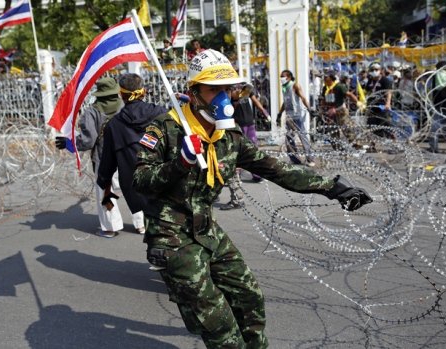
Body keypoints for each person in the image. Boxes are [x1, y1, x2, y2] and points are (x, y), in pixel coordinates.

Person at [132, 49, 373, 348]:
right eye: (213, 90)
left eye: (227, 89)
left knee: (249, 297)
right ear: (193, 93)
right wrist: (178, 163)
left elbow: (279, 171)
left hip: (206, 230)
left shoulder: (229, 138)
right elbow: (140, 180)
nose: (224, 98)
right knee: (217, 321)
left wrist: (332, 187)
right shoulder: (166, 129)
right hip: (172, 237)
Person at [97, 73, 167, 235]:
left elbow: (107, 162)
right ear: (143, 91)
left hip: (133, 183)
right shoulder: (161, 113)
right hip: (162, 178)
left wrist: (104, 183)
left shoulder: (113, 125)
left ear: (121, 95)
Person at [55, 78, 125, 237]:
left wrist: (68, 144)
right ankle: (140, 225)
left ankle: (110, 228)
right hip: (125, 156)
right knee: (132, 190)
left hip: (103, 159)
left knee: (106, 192)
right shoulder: (124, 107)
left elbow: (88, 141)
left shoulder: (92, 112)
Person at [219, 82, 271, 210]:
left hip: (249, 123)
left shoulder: (246, 89)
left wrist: (265, 113)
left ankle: (257, 175)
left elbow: (256, 101)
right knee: (240, 151)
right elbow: (230, 109)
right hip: (238, 124)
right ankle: (237, 176)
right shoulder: (228, 91)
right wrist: (236, 100)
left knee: (251, 149)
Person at [276, 69, 315, 166]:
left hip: (297, 116)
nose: (281, 78)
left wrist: (310, 109)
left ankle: (310, 159)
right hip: (289, 117)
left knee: (303, 137)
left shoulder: (295, 85)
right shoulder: (284, 87)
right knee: (289, 139)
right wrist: (279, 114)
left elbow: (303, 98)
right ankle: (295, 159)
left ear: (288, 77)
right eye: (280, 76)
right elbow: (285, 102)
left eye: (283, 76)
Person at [321, 72, 362, 148]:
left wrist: (357, 102)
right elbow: (323, 99)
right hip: (331, 112)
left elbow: (349, 94)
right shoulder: (325, 88)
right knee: (333, 131)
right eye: (325, 79)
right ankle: (337, 147)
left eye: (327, 79)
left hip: (340, 111)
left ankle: (355, 145)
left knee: (347, 129)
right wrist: (322, 108)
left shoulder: (339, 86)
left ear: (332, 79)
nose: (325, 80)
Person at [364, 62, 393, 142]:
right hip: (372, 106)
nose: (374, 71)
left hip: (382, 106)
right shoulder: (370, 81)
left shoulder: (385, 80)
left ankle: (396, 143)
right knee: (370, 125)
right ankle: (371, 145)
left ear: (380, 70)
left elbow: (388, 93)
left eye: (376, 69)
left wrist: (388, 103)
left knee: (386, 125)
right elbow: (367, 92)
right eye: (372, 69)